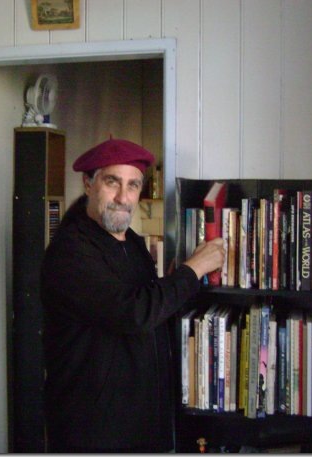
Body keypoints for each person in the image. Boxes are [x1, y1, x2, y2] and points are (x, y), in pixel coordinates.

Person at [40, 138, 225, 453]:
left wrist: (178, 280)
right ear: (88, 184)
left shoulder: (133, 244)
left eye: (133, 185)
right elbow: (134, 312)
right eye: (112, 182)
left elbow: (145, 306)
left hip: (139, 426)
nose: (123, 197)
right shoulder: (70, 251)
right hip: (93, 432)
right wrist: (193, 270)